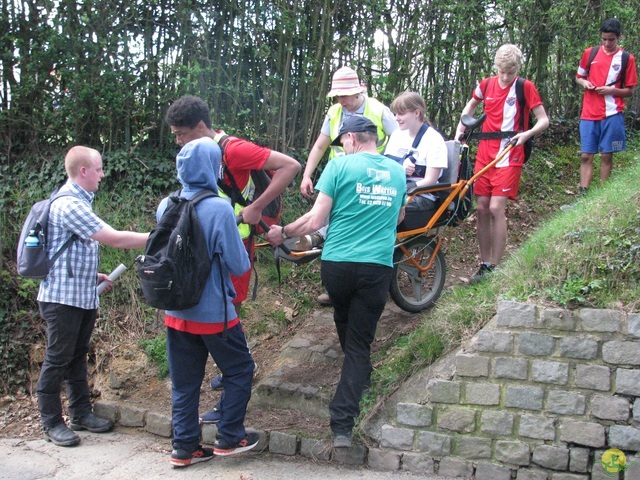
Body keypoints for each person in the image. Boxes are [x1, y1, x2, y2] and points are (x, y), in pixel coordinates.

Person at [267, 116, 406, 448]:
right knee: (358, 343)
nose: (341, 146)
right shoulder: (398, 172)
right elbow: (400, 216)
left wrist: (283, 232)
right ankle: (345, 418)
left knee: (345, 321)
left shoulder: (339, 168)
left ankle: (349, 401)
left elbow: (316, 219)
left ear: (354, 138)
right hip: (375, 267)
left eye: (342, 141)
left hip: (338, 266)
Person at [164, 95, 300, 422]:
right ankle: (230, 378)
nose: (179, 142)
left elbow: (290, 166)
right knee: (219, 325)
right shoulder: (202, 157)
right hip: (208, 250)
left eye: (181, 134)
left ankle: (229, 403)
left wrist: (255, 207)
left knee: (227, 323)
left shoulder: (234, 149)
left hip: (232, 248)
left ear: (200, 127)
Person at [36, 146, 149, 447]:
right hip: (62, 298)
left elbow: (71, 248)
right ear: (83, 171)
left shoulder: (79, 203)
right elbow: (112, 237)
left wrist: (92, 276)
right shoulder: (69, 205)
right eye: (98, 169)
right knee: (58, 358)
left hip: (80, 294)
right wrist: (158, 238)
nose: (102, 174)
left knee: (77, 356)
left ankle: (80, 414)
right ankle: (50, 422)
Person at [158, 137, 257, 467]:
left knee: (184, 383)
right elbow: (239, 264)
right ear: (214, 168)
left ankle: (184, 448)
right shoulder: (220, 208)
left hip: (175, 312)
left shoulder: (166, 205)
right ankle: (230, 436)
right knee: (240, 369)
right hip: (215, 314)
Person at [299, 66, 398, 304]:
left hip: (373, 180)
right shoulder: (334, 113)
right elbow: (321, 146)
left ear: (357, 92)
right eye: (337, 96)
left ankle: (369, 285)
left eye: (344, 95)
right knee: (336, 230)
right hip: (340, 180)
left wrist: (393, 170)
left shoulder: (378, 110)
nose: (340, 100)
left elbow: (400, 140)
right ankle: (338, 288)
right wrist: (307, 174)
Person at [455, 44, 549, 284]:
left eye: (510, 71)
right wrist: (460, 131)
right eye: (502, 71)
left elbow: (543, 120)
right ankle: (484, 264)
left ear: (517, 68)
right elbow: (470, 108)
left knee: (497, 208)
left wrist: (526, 135)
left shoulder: (524, 87)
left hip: (511, 152)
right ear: (496, 66)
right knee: (482, 208)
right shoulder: (486, 84)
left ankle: (496, 265)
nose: (505, 76)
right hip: (485, 152)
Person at [575, 18, 637, 193]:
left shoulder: (626, 58)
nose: (607, 43)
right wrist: (585, 84)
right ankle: (583, 193)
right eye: (604, 39)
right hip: (588, 113)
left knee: (607, 155)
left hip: (612, 113)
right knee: (586, 155)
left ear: (619, 38)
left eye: (611, 39)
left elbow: (630, 90)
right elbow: (579, 76)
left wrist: (611, 91)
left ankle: (602, 195)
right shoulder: (590, 53)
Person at [384, 91, 448, 231]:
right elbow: (387, 168)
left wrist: (404, 189)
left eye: (401, 114)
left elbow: (430, 180)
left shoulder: (434, 139)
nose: (396, 118)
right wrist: (401, 166)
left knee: (385, 207)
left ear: (417, 113)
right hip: (394, 191)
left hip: (422, 196)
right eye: (396, 114)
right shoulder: (396, 135)